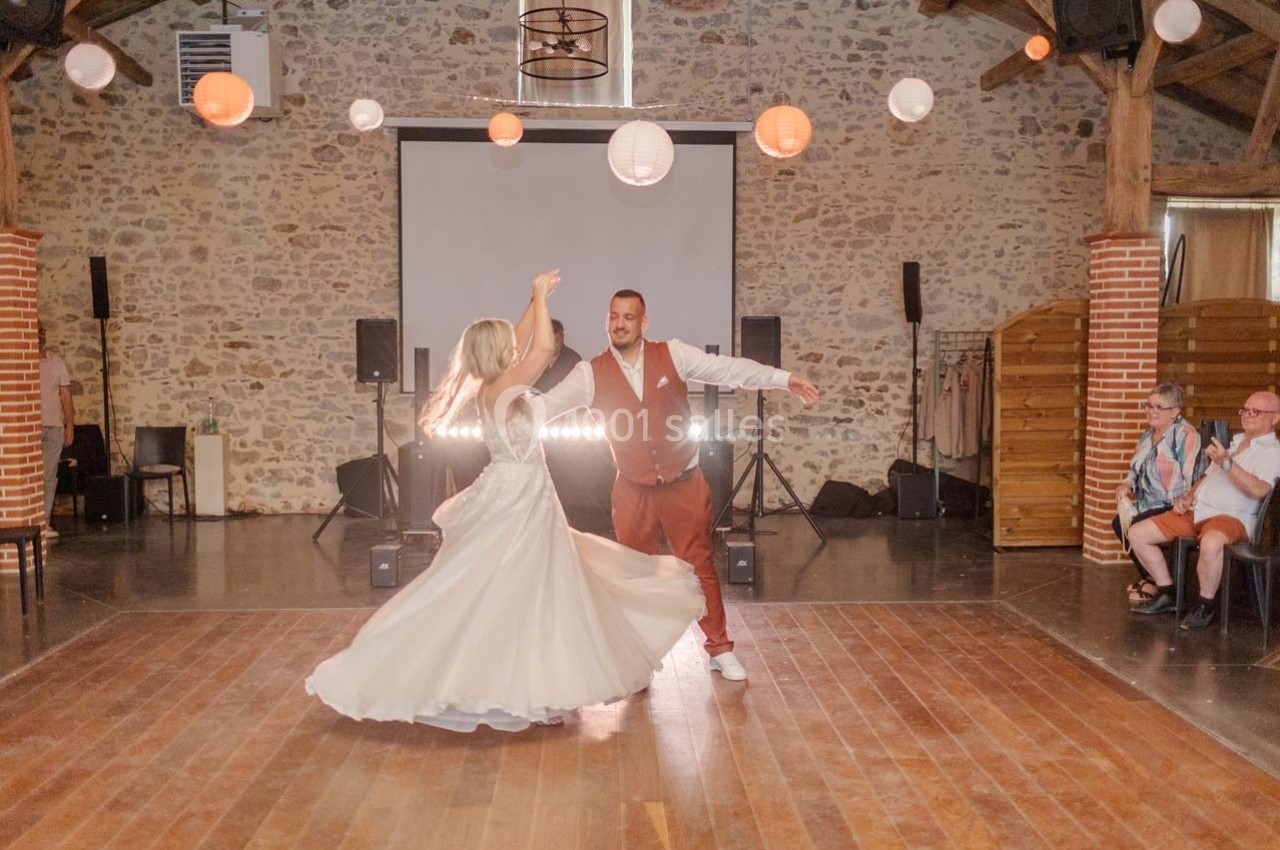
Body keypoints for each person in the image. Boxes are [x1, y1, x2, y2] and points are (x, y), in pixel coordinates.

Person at [306, 270, 706, 731]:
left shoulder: (490, 382)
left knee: (530, 590)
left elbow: (518, 344)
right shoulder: (505, 386)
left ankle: (540, 689)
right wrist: (538, 299)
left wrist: (529, 303)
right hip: (521, 498)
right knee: (531, 591)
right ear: (496, 353)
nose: (513, 348)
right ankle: (535, 693)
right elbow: (538, 350)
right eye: (505, 344)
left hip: (518, 492)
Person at [539, 289, 821, 681]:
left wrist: (783, 379)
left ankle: (720, 648)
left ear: (644, 322)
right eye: (614, 317)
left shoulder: (673, 354)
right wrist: (500, 411)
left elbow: (728, 369)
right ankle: (635, 661)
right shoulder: (591, 373)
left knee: (699, 565)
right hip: (632, 488)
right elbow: (544, 408)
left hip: (683, 484)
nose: (619, 324)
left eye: (628, 317)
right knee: (634, 576)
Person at [1130, 391, 1280, 630]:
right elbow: (1207, 477)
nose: (1248, 415)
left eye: (1257, 411)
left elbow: (1259, 489)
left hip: (1231, 517)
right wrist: (1187, 498)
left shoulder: (1273, 452)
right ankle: (1168, 592)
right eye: (1246, 410)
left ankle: (1205, 606)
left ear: (1275, 418)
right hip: (1198, 511)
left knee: (1211, 543)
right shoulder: (1233, 442)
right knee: (1138, 532)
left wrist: (1227, 463)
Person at [1112, 384, 1201, 604]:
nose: (1151, 411)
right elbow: (1134, 470)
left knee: (1134, 528)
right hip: (1148, 503)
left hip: (1173, 505)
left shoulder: (1185, 435)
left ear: (1175, 411)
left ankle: (1165, 588)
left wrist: (1187, 501)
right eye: (1148, 405)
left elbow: (1196, 476)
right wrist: (1126, 486)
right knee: (1119, 524)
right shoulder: (1147, 436)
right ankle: (1153, 578)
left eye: (1158, 407)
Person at [39, 322, 74, 538]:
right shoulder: (20, 361)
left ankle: (44, 522)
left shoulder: (56, 362)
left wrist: (70, 424)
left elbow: (66, 394)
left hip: (54, 426)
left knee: (49, 476)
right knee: (29, 475)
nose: (38, 337)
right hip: (29, 427)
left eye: (40, 333)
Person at [532, 318, 582, 394]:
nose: (553, 345)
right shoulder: (533, 358)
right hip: (536, 403)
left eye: (557, 340)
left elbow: (579, 390)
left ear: (563, 337)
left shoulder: (574, 360)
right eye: (550, 340)